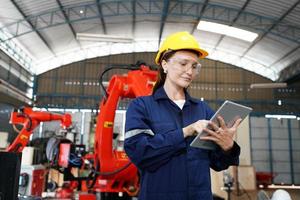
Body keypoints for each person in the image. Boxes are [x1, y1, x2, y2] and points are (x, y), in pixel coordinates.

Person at [124, 31, 242, 200]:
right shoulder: (141, 106)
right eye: (183, 63)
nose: (189, 71)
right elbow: (141, 153)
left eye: (194, 66)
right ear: (164, 64)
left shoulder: (203, 109)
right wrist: (186, 131)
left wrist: (227, 147)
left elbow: (217, 163)